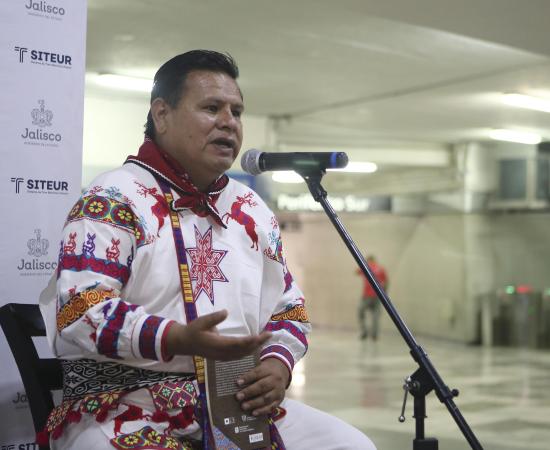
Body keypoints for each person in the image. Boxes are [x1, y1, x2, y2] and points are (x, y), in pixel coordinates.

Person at [39, 50, 376, 449]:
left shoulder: (250, 209)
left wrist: (277, 364)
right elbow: (79, 310)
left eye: (237, 111)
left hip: (235, 406)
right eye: (212, 108)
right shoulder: (113, 197)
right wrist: (175, 337)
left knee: (351, 445)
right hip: (121, 406)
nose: (229, 122)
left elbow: (290, 310)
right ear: (162, 114)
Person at [356, 255, 388, 341]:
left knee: (360, 311)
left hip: (366, 296)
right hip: (378, 296)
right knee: (375, 316)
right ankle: (374, 334)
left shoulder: (366, 267)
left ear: (369, 260)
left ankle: (364, 331)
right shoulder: (381, 268)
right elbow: (386, 281)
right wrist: (384, 293)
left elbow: (356, 272)